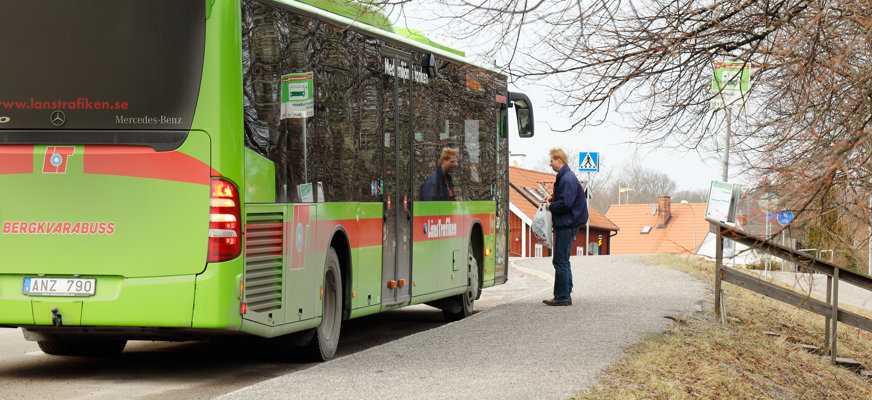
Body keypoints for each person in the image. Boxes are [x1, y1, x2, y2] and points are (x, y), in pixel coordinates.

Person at [542, 148, 588, 306]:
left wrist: (551, 206)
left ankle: (561, 296)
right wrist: (553, 198)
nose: (550, 164)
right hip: (569, 222)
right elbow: (565, 198)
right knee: (564, 260)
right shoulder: (567, 177)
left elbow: (566, 203)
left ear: (559, 161)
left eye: (552, 160)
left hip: (567, 223)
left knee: (560, 260)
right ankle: (566, 293)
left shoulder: (566, 178)